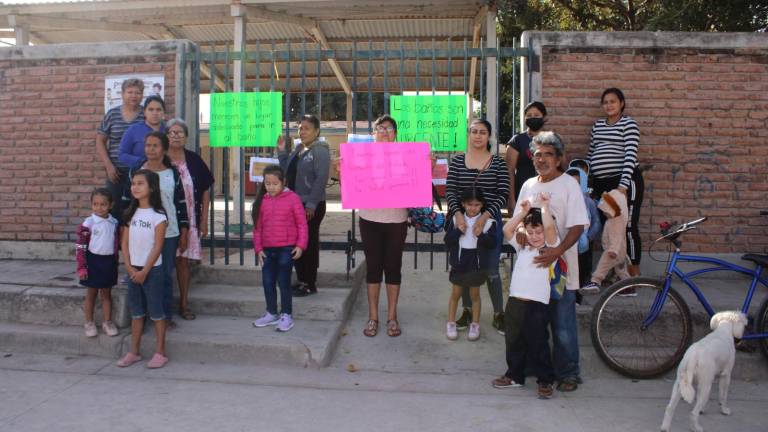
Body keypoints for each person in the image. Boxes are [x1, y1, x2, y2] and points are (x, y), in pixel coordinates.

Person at [514, 131, 589, 392]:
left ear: (559, 159)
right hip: (532, 271)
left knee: (562, 324)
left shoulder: (569, 185)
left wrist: (557, 251)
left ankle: (569, 373)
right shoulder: (528, 185)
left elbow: (579, 226)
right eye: (537, 155)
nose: (542, 159)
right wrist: (521, 233)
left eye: (548, 154)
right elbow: (518, 222)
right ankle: (537, 367)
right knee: (533, 323)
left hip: (560, 269)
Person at [446, 119, 509, 334]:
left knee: (491, 270)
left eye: (483, 132)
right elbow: (451, 191)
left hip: (488, 224)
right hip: (462, 224)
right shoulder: (457, 162)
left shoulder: (498, 163)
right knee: (464, 268)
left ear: (488, 136)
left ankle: (499, 314)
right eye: (474, 131)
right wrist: (458, 215)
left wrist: (485, 217)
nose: (478, 135)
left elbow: (503, 193)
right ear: (469, 134)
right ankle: (466, 311)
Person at [494, 195, 558, 399]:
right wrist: (522, 212)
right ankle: (514, 376)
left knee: (538, 343)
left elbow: (549, 230)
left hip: (536, 305)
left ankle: (545, 380)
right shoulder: (522, 246)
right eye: (531, 232)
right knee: (513, 341)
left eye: (538, 232)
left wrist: (545, 207)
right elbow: (506, 230)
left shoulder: (549, 249)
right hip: (515, 301)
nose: (535, 236)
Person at [124, 132, 189, 329]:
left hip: (169, 233)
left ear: (164, 149)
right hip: (140, 231)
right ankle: (140, 316)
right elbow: (128, 202)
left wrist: (184, 230)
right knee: (140, 271)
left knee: (163, 275)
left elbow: (180, 203)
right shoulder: (137, 171)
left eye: (155, 146)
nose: (150, 149)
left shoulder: (173, 173)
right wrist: (124, 228)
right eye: (147, 145)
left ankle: (164, 316)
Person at [359, 115, 410, 338]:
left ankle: (392, 316)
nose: (384, 132)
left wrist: (429, 164)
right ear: (373, 133)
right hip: (369, 218)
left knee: (392, 267)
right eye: (379, 128)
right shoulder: (361, 156)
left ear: (395, 133)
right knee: (372, 267)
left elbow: (417, 181)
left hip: (396, 219)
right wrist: (340, 169)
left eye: (388, 129)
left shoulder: (406, 156)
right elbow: (349, 182)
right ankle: (373, 317)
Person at [587, 88, 643, 278]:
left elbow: (630, 155)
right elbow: (591, 153)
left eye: (613, 101)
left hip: (624, 182)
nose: (609, 105)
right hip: (602, 185)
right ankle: (616, 274)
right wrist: (588, 184)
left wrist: (623, 186)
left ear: (622, 103)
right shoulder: (597, 126)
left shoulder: (629, 124)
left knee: (627, 226)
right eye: (605, 102)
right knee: (608, 230)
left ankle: (634, 273)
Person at [117, 169, 169, 369]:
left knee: (156, 313)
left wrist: (145, 271)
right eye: (133, 183)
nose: (135, 187)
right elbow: (124, 243)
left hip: (152, 271)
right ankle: (134, 352)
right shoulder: (131, 213)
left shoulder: (159, 216)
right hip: (133, 271)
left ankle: (160, 352)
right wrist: (130, 267)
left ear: (152, 188)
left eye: (140, 183)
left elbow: (157, 246)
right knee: (137, 313)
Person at [166, 118, 214, 320]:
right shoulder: (160, 159)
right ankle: (162, 308)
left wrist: (203, 220)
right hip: (166, 221)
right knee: (164, 263)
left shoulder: (193, 159)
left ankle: (184, 304)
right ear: (166, 135)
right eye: (172, 132)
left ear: (186, 137)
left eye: (180, 133)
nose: (176, 135)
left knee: (183, 262)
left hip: (189, 219)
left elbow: (205, 191)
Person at [251, 165, 308, 332]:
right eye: (267, 183)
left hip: (286, 248)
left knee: (283, 282)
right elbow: (257, 228)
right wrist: (258, 248)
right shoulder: (261, 201)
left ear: (283, 182)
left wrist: (300, 245)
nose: (271, 187)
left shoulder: (293, 198)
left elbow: (302, 224)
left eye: (275, 183)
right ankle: (271, 313)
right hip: (267, 250)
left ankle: (286, 314)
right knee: (267, 282)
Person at [278, 114, 330, 297]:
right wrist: (282, 151)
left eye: (307, 128)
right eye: (300, 128)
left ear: (316, 131)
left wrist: (311, 204)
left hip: (310, 205)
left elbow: (321, 179)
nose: (302, 131)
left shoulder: (320, 151)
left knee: (308, 244)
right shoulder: (300, 148)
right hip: (295, 204)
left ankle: (309, 283)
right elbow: (286, 170)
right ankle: (301, 280)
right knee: (297, 242)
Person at [444, 187, 497, 342]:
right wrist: (458, 231)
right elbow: (447, 241)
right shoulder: (456, 220)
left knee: (475, 295)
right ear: (463, 204)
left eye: (477, 205)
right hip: (460, 262)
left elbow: (492, 244)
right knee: (455, 294)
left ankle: (475, 324)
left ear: (482, 205)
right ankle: (451, 322)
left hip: (476, 263)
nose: (473, 208)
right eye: (469, 204)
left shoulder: (489, 223)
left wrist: (481, 235)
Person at [96, 78, 145, 219]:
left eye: (137, 92)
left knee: (137, 210)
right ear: (123, 94)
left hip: (140, 173)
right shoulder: (112, 114)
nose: (133, 95)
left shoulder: (145, 115)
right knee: (113, 210)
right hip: (115, 173)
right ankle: (115, 241)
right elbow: (100, 141)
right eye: (130, 92)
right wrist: (108, 166)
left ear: (142, 95)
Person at [76, 188, 120, 338]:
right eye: (95, 204)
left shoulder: (114, 222)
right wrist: (82, 267)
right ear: (91, 204)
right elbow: (81, 247)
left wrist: (115, 261)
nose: (99, 208)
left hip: (108, 262)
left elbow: (115, 243)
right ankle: (89, 322)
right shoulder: (88, 224)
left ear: (110, 205)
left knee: (107, 294)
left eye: (103, 204)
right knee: (91, 293)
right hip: (92, 261)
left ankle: (107, 322)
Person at [581, 189, 631, 293]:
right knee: (621, 271)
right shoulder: (616, 219)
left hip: (613, 251)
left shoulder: (616, 221)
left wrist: (613, 249)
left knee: (603, 266)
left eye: (605, 210)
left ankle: (595, 281)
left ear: (613, 208)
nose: (604, 213)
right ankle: (629, 287)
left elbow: (617, 236)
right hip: (620, 251)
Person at [505, 101, 547, 211]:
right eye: (529, 115)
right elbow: (510, 171)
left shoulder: (551, 140)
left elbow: (560, 167)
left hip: (547, 194)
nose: (532, 118)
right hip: (523, 193)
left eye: (536, 115)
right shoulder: (517, 140)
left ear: (544, 117)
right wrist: (511, 199)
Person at [565, 166, 601, 290]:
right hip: (566, 243)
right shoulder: (563, 199)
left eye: (577, 183)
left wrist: (589, 237)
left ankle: (579, 296)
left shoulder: (588, 202)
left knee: (582, 270)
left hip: (584, 245)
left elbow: (596, 221)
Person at [119, 95, 166, 170]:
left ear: (163, 113)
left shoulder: (168, 131)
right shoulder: (133, 130)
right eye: (151, 109)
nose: (155, 113)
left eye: (158, 110)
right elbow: (122, 155)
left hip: (165, 173)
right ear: (144, 112)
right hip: (140, 175)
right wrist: (142, 161)